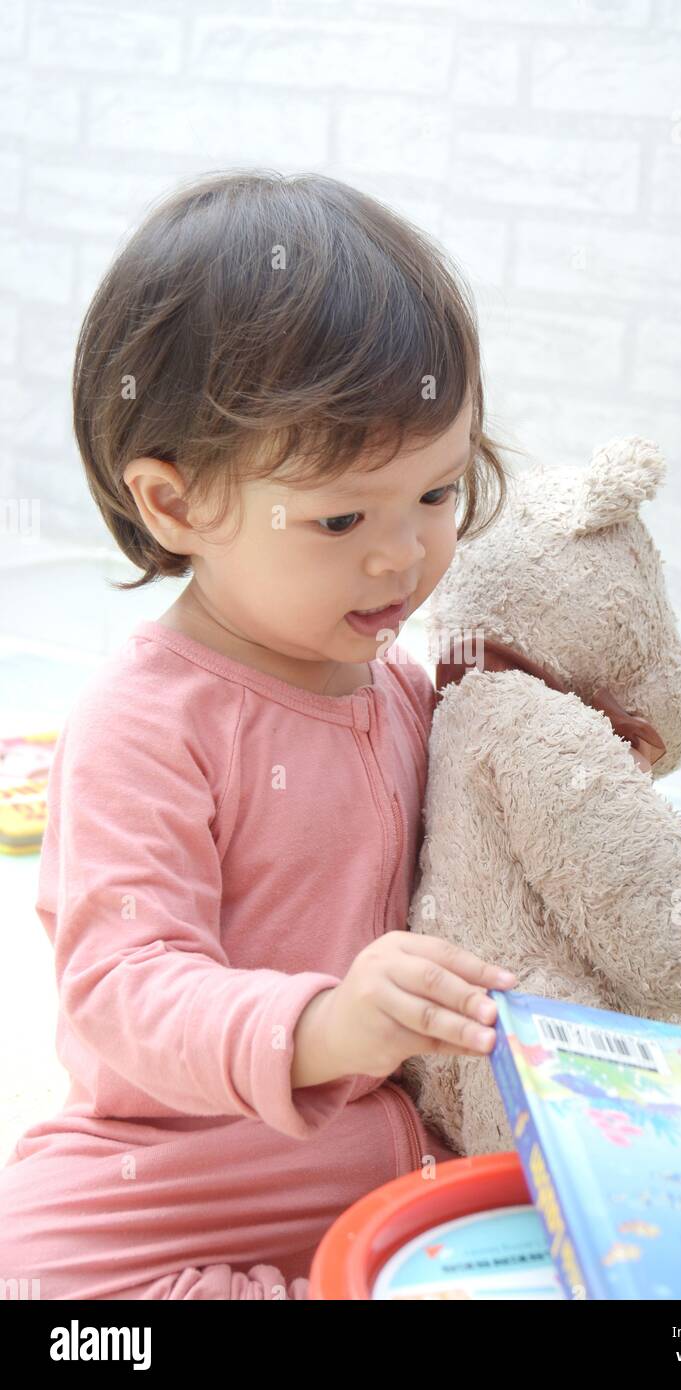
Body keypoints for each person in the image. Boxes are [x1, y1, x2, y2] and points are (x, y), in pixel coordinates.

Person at [0, 170, 521, 1301]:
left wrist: (559, 746)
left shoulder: (405, 688)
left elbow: (492, 824)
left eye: (437, 495)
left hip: (397, 1152)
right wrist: (326, 1022)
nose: (403, 557)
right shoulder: (146, 720)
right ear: (177, 504)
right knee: (33, 1278)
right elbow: (123, 985)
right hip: (184, 1163)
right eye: (341, 518)